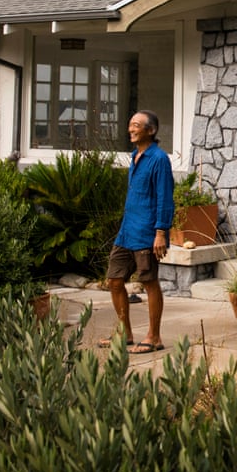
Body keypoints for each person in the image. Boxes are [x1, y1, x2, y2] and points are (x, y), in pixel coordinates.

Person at [99, 109, 175, 354]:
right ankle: (125, 334)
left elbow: (165, 198)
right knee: (114, 280)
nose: (130, 129)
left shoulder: (159, 159)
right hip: (126, 232)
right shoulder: (135, 157)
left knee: (149, 282)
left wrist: (161, 232)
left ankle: (154, 337)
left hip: (146, 232)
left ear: (150, 131)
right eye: (130, 124)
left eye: (136, 125)